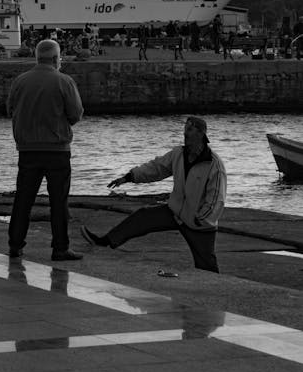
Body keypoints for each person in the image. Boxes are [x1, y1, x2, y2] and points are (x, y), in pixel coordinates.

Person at [81, 117, 226, 273]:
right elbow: (156, 168)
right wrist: (129, 177)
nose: (185, 133)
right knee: (142, 217)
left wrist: (201, 217)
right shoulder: (178, 154)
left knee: (207, 266)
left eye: (190, 130)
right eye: (185, 129)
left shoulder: (214, 164)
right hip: (175, 213)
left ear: (201, 134)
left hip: (199, 223)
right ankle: (105, 241)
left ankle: (218, 289)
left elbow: (216, 198)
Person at [7, 39, 84, 261]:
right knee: (58, 201)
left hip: (27, 150)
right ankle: (60, 248)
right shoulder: (64, 81)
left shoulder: (20, 81)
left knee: (23, 199)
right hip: (57, 150)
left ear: (37, 57)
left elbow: (10, 108)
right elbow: (76, 114)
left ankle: (15, 244)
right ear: (55, 58)